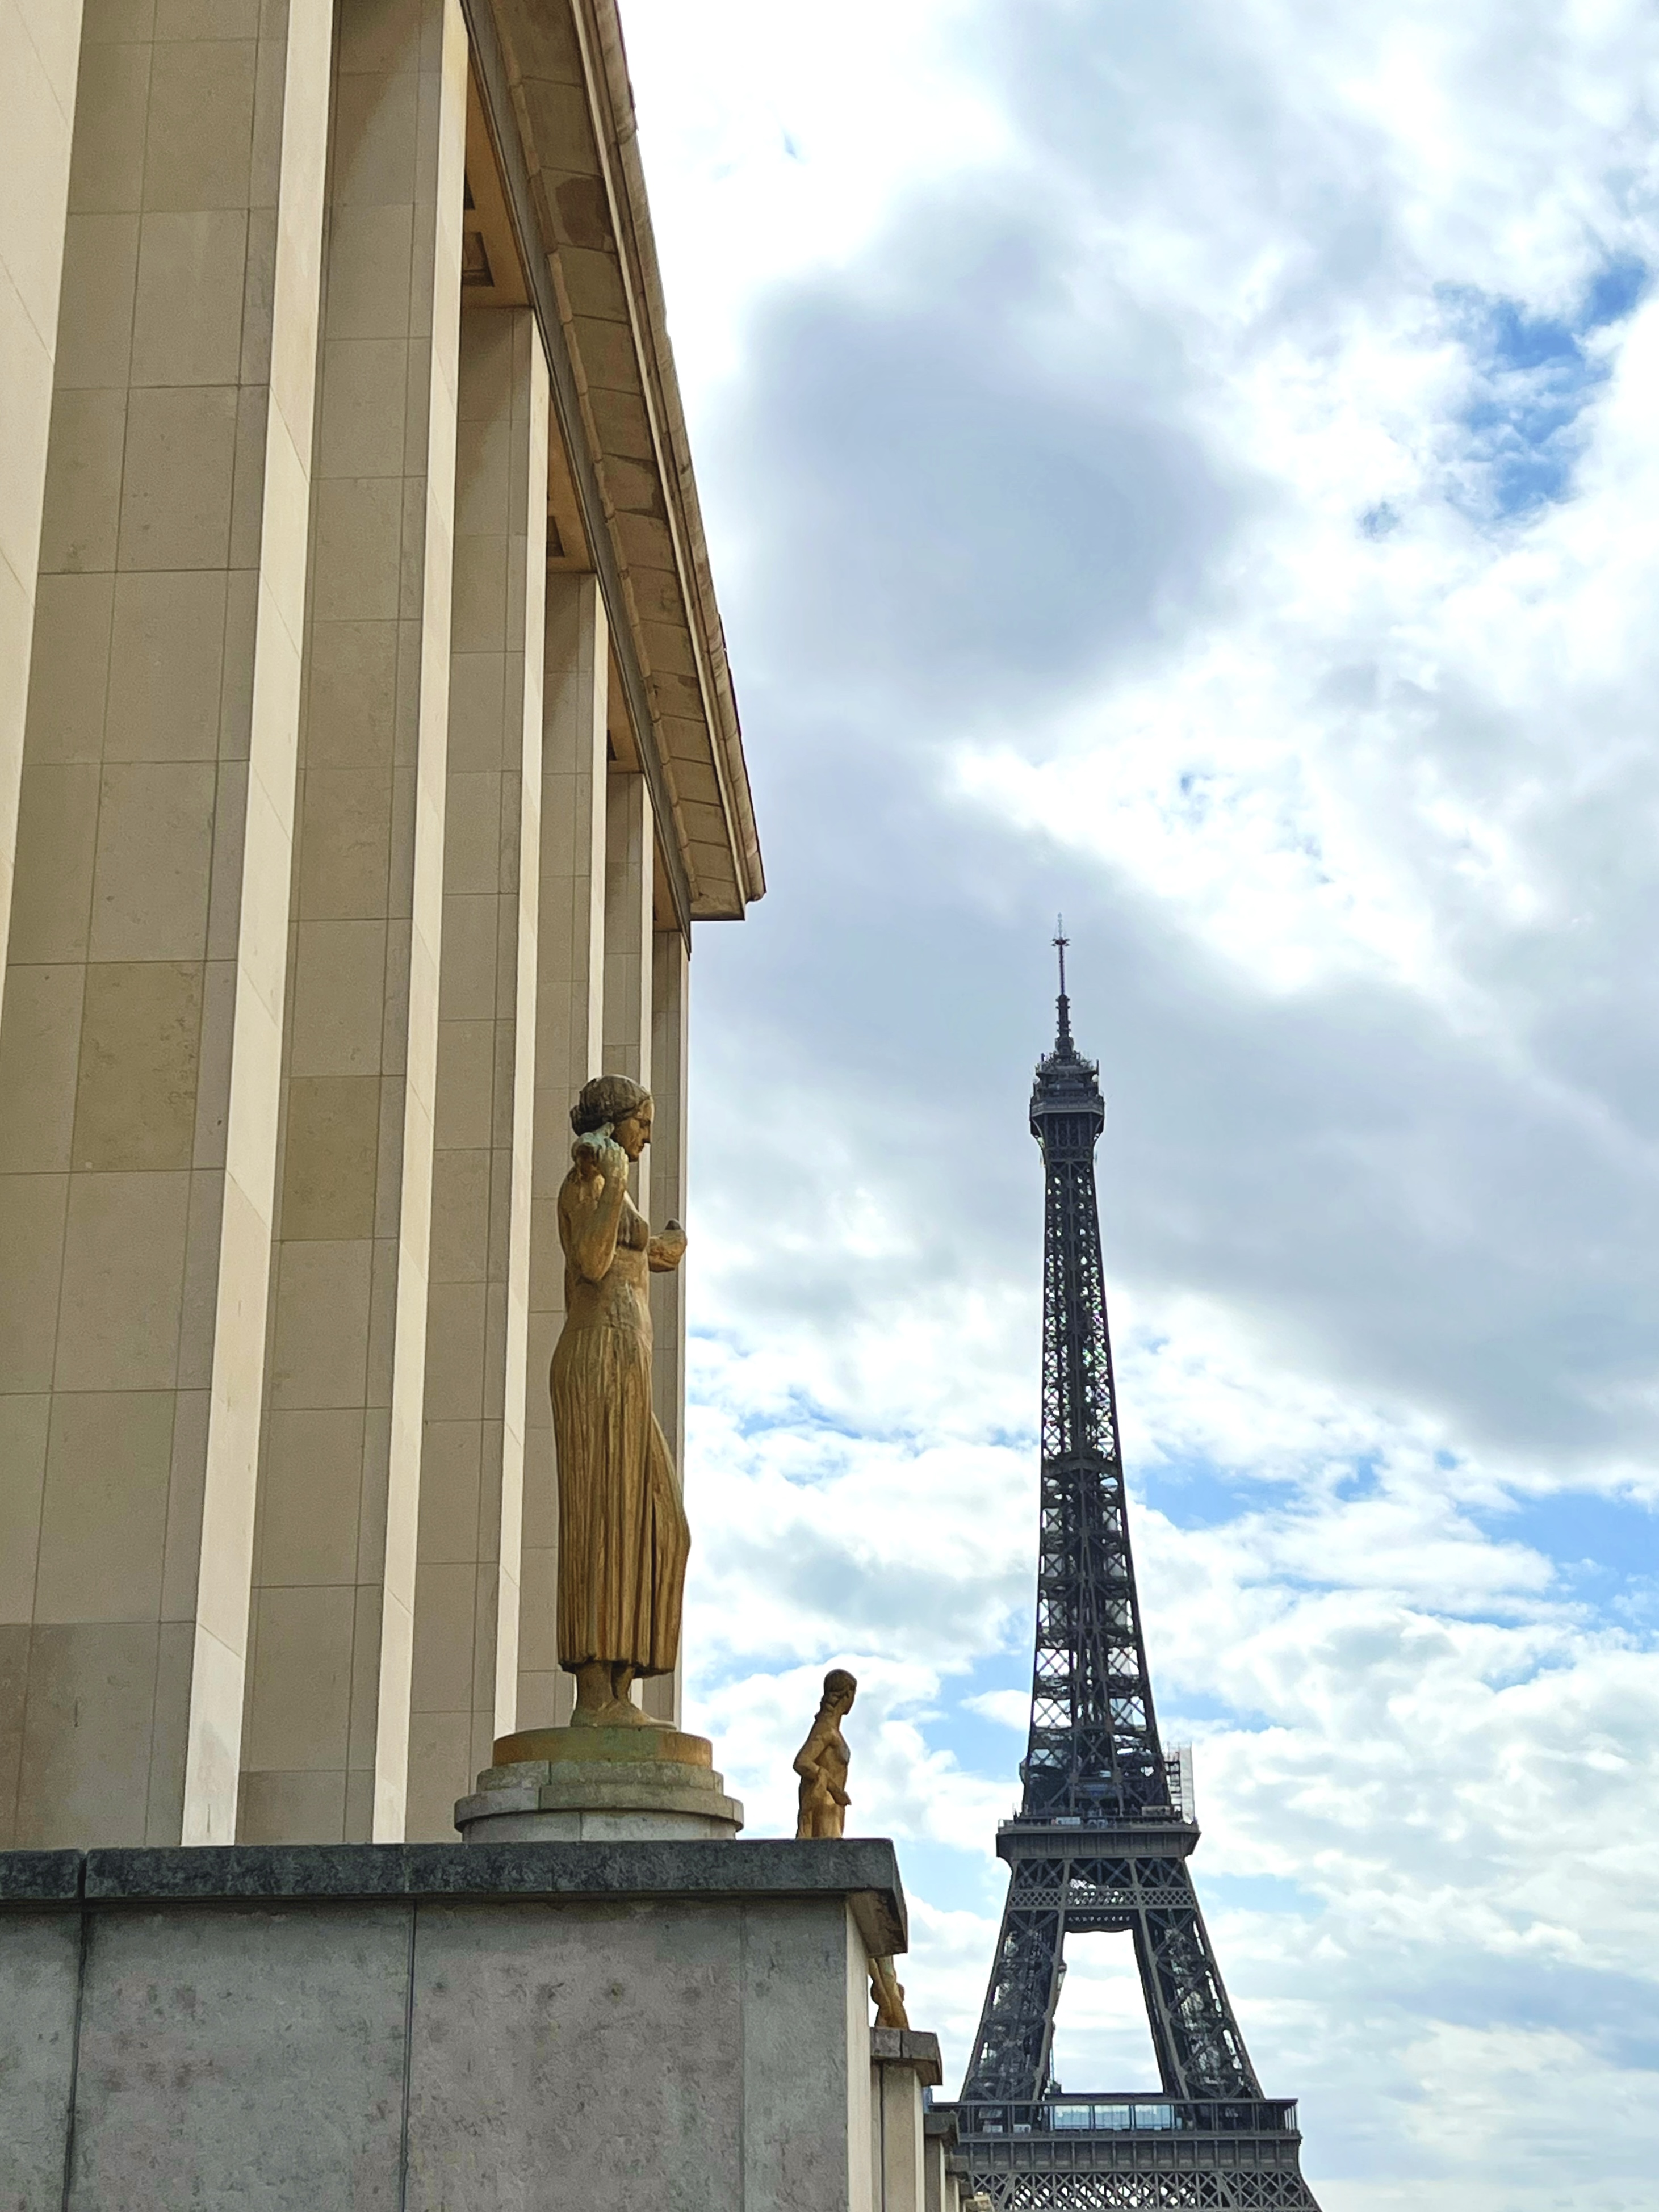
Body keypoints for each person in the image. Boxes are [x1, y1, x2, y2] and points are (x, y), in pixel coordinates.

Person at [552, 1073, 688, 1727]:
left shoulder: (612, 1182)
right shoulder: (588, 1180)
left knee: (662, 1527)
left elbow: (643, 1253)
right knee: (604, 1521)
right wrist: (617, 1192)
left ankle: (624, 1679)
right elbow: (592, 1259)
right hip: (596, 1359)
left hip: (627, 1365)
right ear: (615, 1121)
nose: (649, 1134)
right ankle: (596, 1694)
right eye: (642, 1121)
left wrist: (668, 1244)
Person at [794, 1668, 857, 1837]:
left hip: (834, 1808)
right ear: (848, 1695)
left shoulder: (833, 1730)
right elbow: (802, 1762)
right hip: (824, 1804)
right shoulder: (825, 1728)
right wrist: (834, 1788)